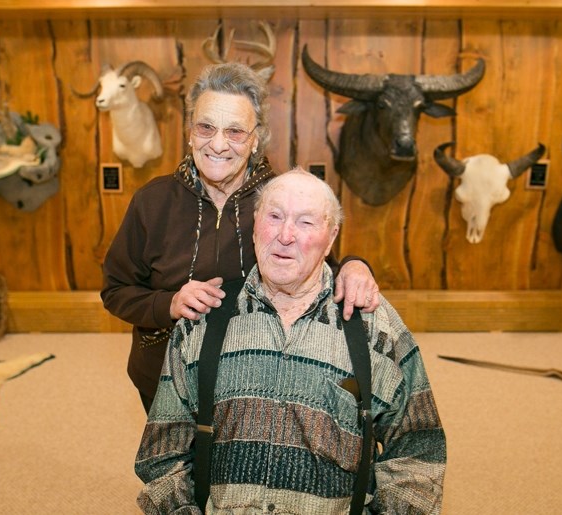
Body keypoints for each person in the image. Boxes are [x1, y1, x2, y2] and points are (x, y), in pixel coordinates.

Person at [135, 168, 446, 514]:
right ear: (255, 225)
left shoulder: (374, 326)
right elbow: (163, 456)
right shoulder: (203, 320)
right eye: (275, 216)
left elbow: (419, 451)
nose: (285, 235)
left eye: (306, 223)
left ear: (331, 238)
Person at [101, 62, 380, 414]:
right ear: (189, 131)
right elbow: (116, 290)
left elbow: (323, 267)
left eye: (235, 131)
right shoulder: (151, 201)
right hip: (166, 378)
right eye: (205, 127)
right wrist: (168, 304)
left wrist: (355, 265)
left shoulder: (282, 196)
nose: (217, 144)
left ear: (255, 139)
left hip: (261, 381)